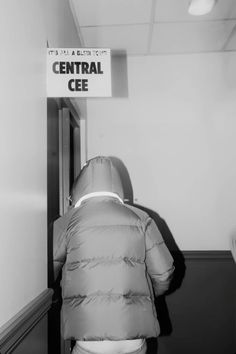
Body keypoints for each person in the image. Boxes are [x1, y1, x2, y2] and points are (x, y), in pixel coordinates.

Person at [53, 156, 174, 354]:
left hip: (88, 337)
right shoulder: (141, 218)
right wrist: (145, 295)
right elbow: (164, 273)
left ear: (79, 187)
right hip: (133, 338)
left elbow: (45, 272)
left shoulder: (66, 222)